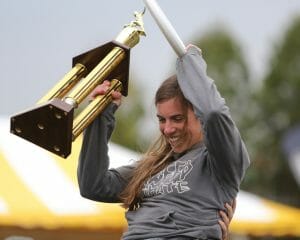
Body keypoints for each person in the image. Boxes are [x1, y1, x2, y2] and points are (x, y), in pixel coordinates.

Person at [77, 44, 250, 240]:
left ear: (198, 114)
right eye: (161, 119)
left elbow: (213, 113)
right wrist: (100, 116)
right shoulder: (153, 166)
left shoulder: (220, 161)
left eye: (177, 118)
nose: (167, 129)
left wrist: (190, 61)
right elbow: (93, 185)